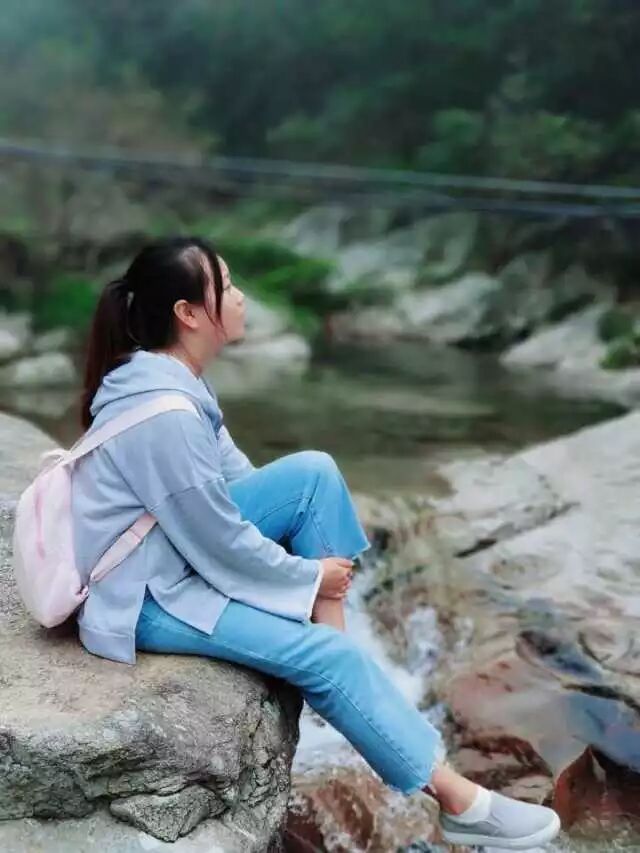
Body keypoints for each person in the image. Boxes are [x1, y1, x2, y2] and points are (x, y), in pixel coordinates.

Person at [72, 237, 561, 849]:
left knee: (314, 473)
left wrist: (310, 579)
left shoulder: (173, 381)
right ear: (189, 313)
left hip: (168, 555)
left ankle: (336, 656)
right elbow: (217, 541)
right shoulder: (165, 413)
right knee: (329, 659)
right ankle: (459, 800)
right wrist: (309, 577)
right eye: (227, 287)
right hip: (142, 596)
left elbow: (242, 488)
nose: (241, 298)